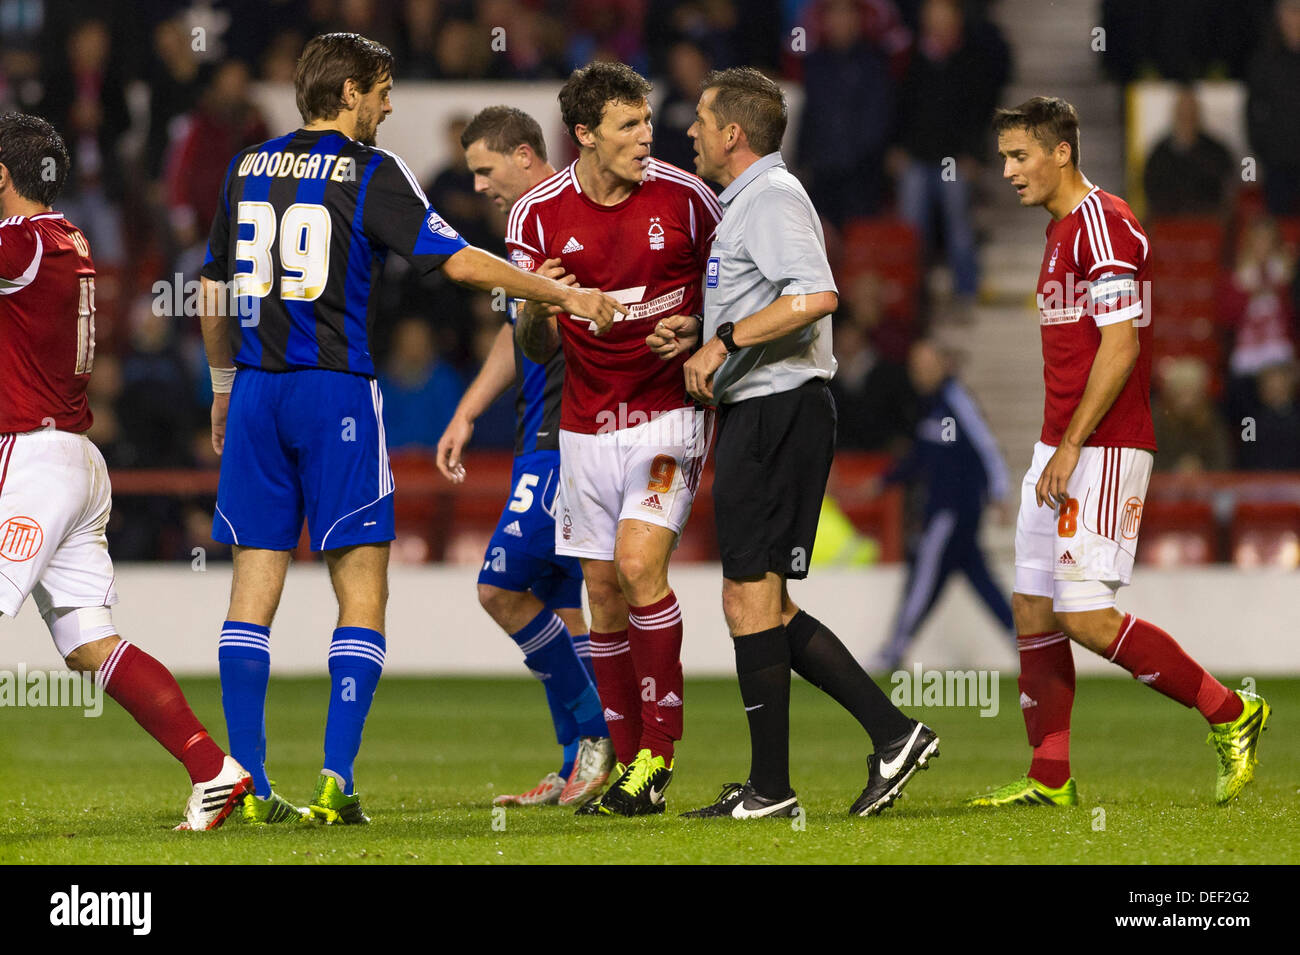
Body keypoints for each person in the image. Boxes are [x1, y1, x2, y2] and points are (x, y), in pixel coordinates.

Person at [199, 34, 621, 825]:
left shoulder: (246, 166)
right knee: (361, 589)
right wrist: (557, 293)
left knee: (250, 591)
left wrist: (224, 388)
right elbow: (457, 261)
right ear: (351, 90)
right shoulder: (370, 171)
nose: (389, 106)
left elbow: (212, 288)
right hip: (336, 397)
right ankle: (335, 780)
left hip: (256, 393)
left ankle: (246, 783)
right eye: (383, 91)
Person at [650, 67, 938, 820]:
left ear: (733, 134)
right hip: (772, 410)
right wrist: (706, 331)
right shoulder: (750, 202)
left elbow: (815, 297)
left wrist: (723, 345)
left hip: (777, 412)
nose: (691, 132)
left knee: (750, 598)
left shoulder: (772, 198)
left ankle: (777, 787)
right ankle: (884, 737)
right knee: (764, 603)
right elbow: (769, 300)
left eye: (702, 120)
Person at [975, 96, 1268, 808]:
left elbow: (1122, 344)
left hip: (1103, 446)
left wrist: (1073, 445)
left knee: (1082, 614)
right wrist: (1057, 444)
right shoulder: (1058, 232)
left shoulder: (1105, 226)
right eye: (1005, 156)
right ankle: (1050, 777)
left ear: (1061, 152)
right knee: (1033, 605)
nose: (1008, 170)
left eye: (1020, 155)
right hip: (1062, 442)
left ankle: (1231, 711)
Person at [0, 111, 250, 831]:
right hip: (76, 458)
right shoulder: (68, 238)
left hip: (32, 457)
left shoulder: (20, 242)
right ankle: (213, 767)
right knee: (88, 642)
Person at [510, 61, 722, 816]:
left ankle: (659, 755)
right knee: (600, 590)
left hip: (668, 416)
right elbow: (533, 343)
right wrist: (552, 300)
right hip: (584, 429)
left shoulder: (688, 198)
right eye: (629, 126)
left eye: (647, 121)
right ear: (586, 135)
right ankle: (625, 761)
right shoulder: (534, 217)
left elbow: (736, 284)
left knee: (638, 564)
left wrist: (701, 326)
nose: (646, 137)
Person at [436, 105, 613, 807]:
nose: (477, 185)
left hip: (565, 438)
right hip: (531, 432)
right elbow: (517, 334)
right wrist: (469, 409)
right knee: (559, 605)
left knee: (499, 588)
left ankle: (605, 734)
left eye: (485, 169)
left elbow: (593, 316)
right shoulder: (524, 231)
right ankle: (577, 761)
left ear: (522, 154)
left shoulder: (568, 215)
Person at [866, 339, 1015, 672]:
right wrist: (886, 481)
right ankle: (1021, 639)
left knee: (923, 578)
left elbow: (986, 445)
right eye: (915, 366)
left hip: (952, 510)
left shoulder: (955, 401)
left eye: (925, 365)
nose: (919, 373)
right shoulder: (930, 406)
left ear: (941, 365)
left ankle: (894, 649)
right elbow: (921, 455)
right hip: (950, 510)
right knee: (978, 577)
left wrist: (1000, 491)